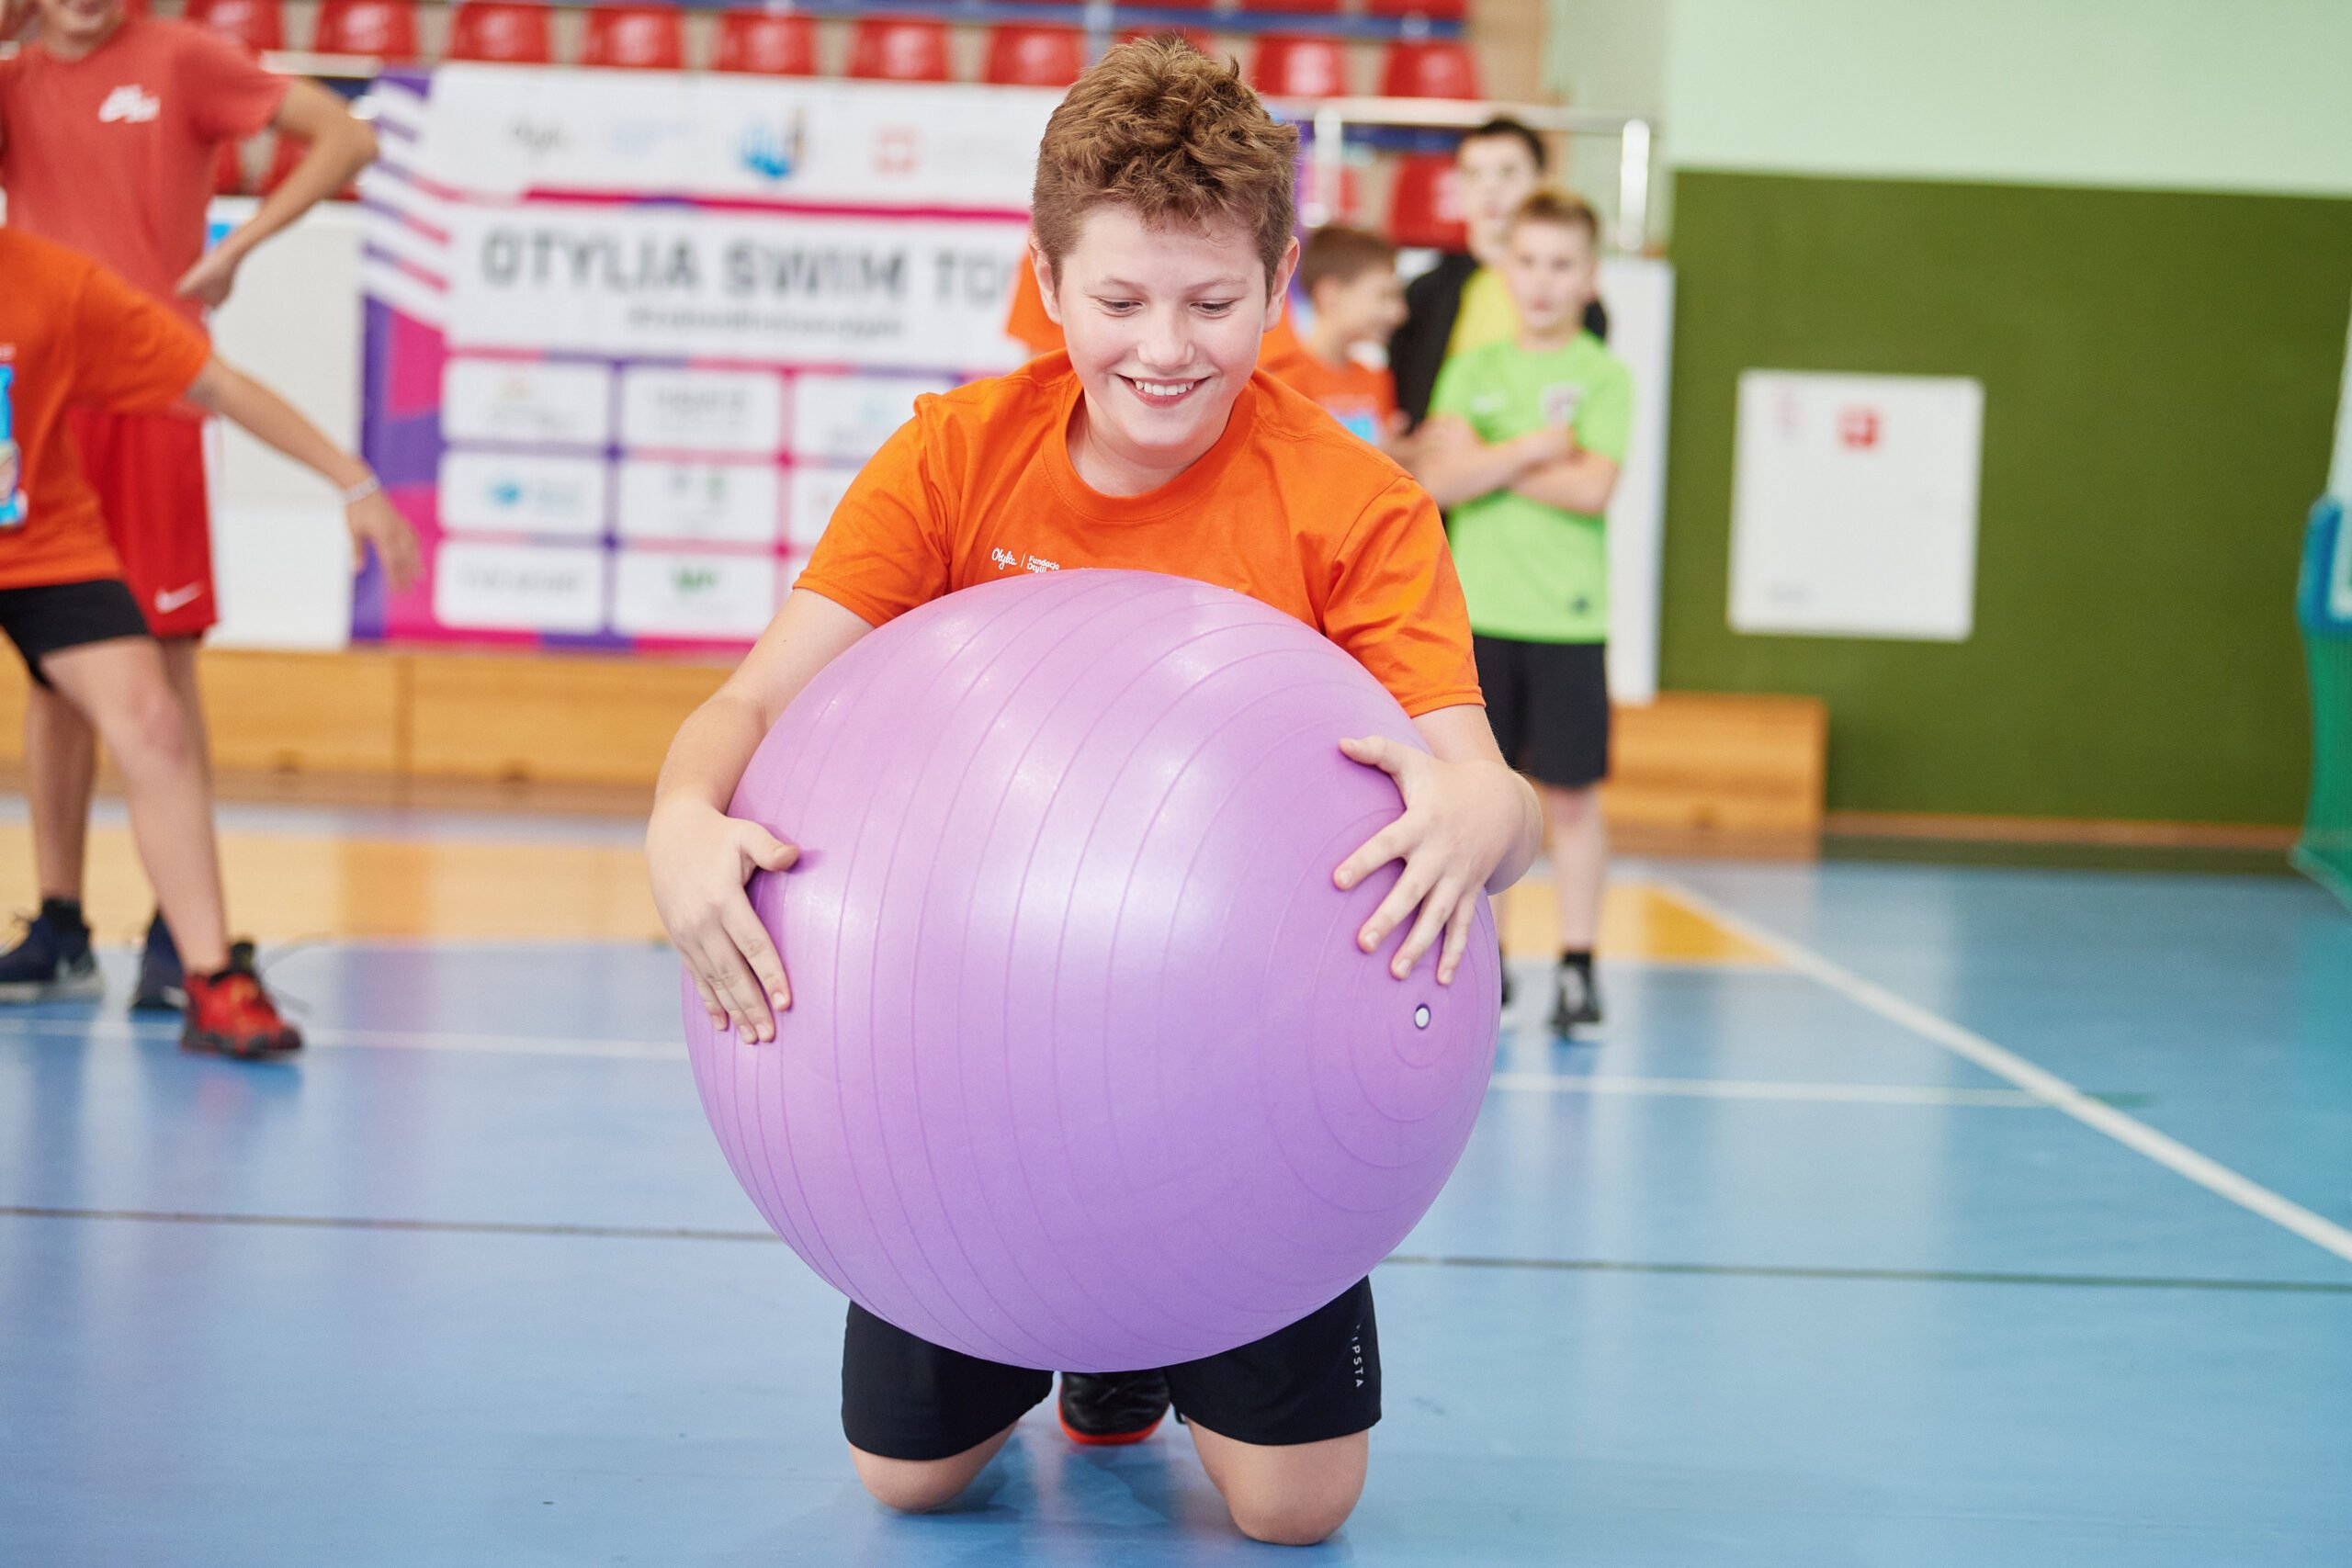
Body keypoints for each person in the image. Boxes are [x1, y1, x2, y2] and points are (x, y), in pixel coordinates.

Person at [648, 39, 1539, 1548]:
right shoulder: (954, 458)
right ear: (1048, 281)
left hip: (1243, 1106)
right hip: (959, 1092)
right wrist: (678, 814)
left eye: (1213, 303)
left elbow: (1490, 801)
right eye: (1120, 301)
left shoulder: (1354, 504)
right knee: (907, 1478)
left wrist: (1486, 816)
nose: (1165, 348)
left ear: (1279, 284)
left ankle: (1135, 1338)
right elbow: (749, 704)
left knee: (1294, 1509)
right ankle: (1078, 1328)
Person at [0, 0, 380, 1010]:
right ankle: (61, 922)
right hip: (37, 402)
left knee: (159, 666)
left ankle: (183, 934)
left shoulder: (181, 60)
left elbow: (348, 136)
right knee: (55, 674)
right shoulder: (16, 78)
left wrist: (239, 243)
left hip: (155, 388)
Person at [0, 229, 417, 1049]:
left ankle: (214, 978)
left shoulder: (54, 285)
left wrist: (353, 480)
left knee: (154, 719)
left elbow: (216, 383)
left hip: (42, 541)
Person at [1414, 189, 1629, 1037]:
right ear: (1508, 271)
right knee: (1484, 794)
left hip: (1569, 620)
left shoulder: (1605, 377)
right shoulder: (1473, 371)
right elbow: (1439, 480)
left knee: (1570, 802)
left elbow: (1594, 488)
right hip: (1475, 620)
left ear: (1588, 276)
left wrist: (1492, 461)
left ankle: (1578, 968)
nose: (1542, 280)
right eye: (1529, 262)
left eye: (1561, 264)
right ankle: (1486, 969)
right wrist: (1537, 448)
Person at [1385, 117, 1609, 433]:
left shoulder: (1578, 304)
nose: (1489, 188)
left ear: (1542, 180)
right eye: (1473, 174)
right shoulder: (1423, 296)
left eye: (1508, 173)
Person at [1254, 223, 1408, 450]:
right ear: (1331, 295)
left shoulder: (1378, 379)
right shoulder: (1281, 379)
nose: (1398, 313)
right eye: (1383, 296)